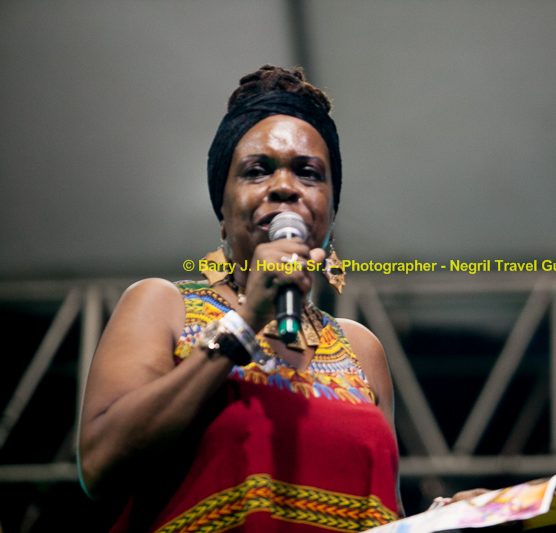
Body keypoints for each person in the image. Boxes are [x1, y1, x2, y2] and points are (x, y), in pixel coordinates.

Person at [78, 65, 402, 532]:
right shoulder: (163, 306)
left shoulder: (361, 349)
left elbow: (385, 514)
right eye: (257, 171)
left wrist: (463, 518)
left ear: (331, 211)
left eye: (308, 173)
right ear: (223, 212)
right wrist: (247, 320)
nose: (284, 186)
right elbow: (100, 466)